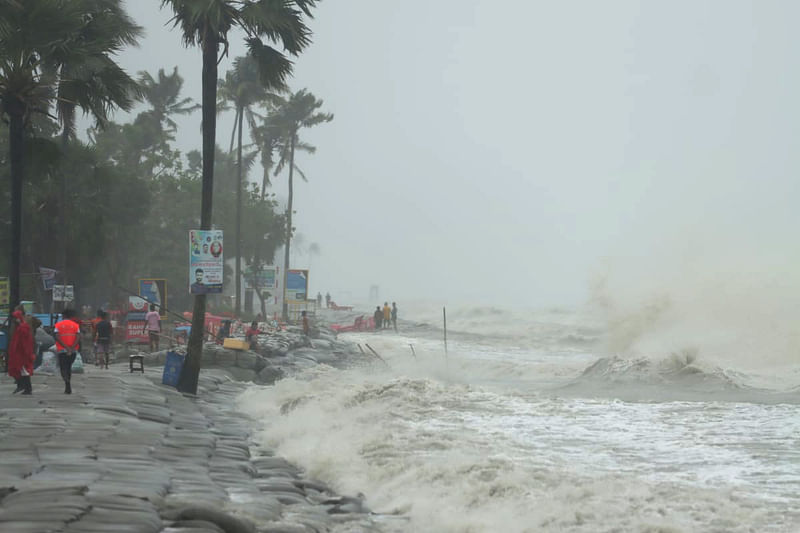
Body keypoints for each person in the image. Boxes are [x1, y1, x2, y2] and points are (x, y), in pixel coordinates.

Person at [53, 308, 81, 394]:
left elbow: (57, 337)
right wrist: (71, 348)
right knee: (68, 367)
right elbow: (78, 337)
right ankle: (68, 384)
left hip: (62, 350)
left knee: (63, 368)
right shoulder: (76, 325)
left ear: (64, 316)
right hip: (73, 351)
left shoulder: (58, 325)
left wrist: (66, 347)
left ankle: (67, 382)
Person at [8, 310, 34, 395]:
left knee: (23, 370)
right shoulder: (21, 327)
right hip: (19, 353)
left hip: (21, 353)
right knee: (22, 370)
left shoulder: (22, 328)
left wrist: (27, 353)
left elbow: (24, 343)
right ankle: (26, 388)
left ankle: (26, 387)